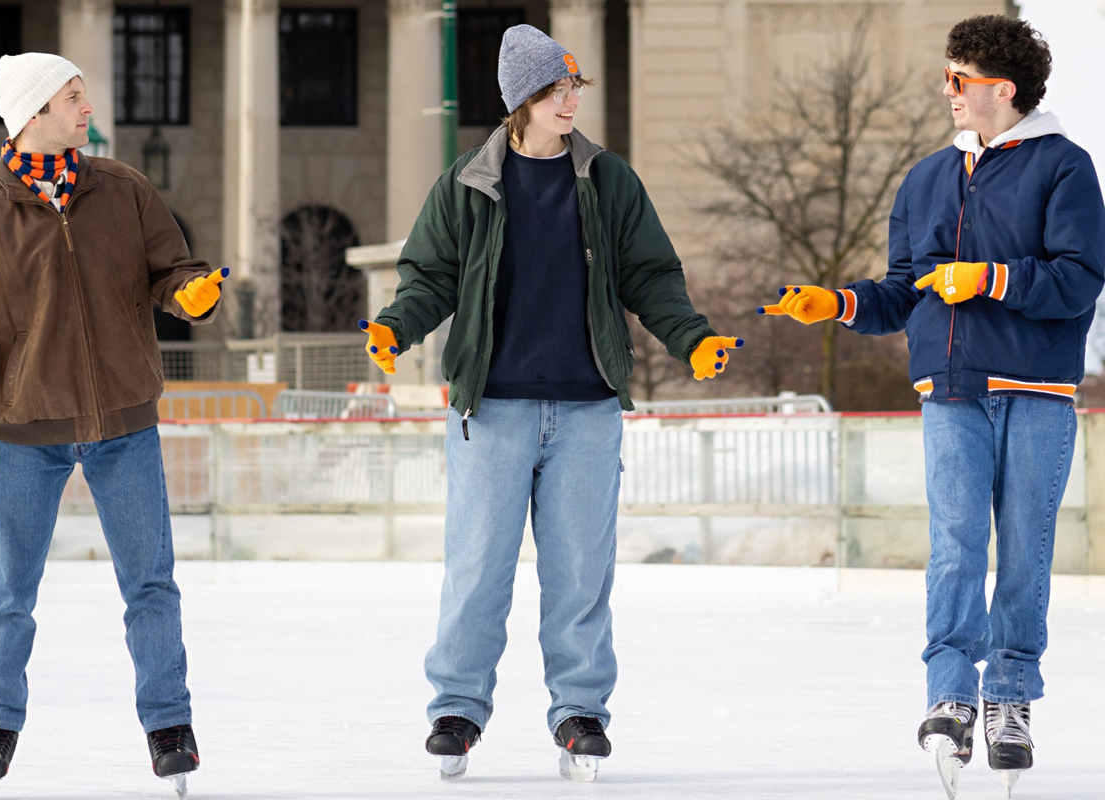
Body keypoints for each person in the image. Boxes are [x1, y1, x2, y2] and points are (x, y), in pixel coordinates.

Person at [359, 24, 742, 782]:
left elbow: (651, 275)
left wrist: (690, 338)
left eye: (573, 88)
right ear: (520, 102)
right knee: (477, 568)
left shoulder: (607, 180)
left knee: (579, 573)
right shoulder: (467, 184)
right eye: (552, 90)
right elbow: (429, 277)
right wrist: (394, 328)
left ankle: (579, 711)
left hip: (587, 408)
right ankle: (457, 708)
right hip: (490, 409)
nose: (569, 101)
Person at [757, 15, 1104, 798]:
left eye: (959, 80)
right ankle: (948, 693)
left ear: (1001, 89)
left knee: (1023, 548)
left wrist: (988, 279)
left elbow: (1079, 279)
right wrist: (837, 302)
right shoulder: (925, 180)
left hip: (1036, 391)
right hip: (948, 389)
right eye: (947, 77)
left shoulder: (1064, 168)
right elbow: (901, 294)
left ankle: (1010, 698)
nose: (946, 92)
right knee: (954, 544)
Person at [0, 53, 227, 798]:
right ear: (34, 113)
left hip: (126, 427)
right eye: (73, 96)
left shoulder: (123, 189)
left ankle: (169, 726)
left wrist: (194, 291)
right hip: (30, 434)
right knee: (9, 591)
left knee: (151, 585)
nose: (89, 107)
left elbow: (170, 271)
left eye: (84, 94)